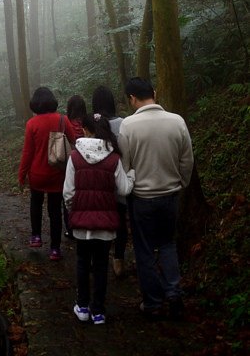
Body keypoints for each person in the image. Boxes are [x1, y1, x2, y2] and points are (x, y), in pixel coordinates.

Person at [118, 77, 194, 321]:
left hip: (142, 198)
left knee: (145, 250)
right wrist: (182, 182)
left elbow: (125, 164)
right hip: (170, 195)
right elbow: (187, 159)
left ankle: (152, 303)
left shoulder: (128, 126)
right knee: (168, 244)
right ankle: (174, 293)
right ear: (154, 92)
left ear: (132, 98)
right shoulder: (177, 121)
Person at [64, 113, 134, 325]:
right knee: (102, 265)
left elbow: (68, 194)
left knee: (83, 263)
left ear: (85, 130)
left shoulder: (75, 157)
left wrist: (75, 210)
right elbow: (123, 189)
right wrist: (131, 175)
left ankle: (82, 306)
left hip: (82, 224)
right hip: (106, 223)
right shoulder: (113, 159)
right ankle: (99, 311)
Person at [18, 86, 79, 261]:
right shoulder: (63, 119)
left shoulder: (32, 124)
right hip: (57, 172)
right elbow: (74, 141)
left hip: (37, 174)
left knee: (35, 204)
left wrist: (21, 175)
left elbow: (27, 152)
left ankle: (36, 236)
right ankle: (55, 249)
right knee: (55, 211)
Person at [92, 85, 128, 277]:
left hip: (100, 184)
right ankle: (119, 260)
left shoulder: (93, 124)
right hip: (120, 180)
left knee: (102, 222)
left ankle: (99, 260)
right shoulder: (124, 123)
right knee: (121, 222)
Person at [63, 95, 86, 238]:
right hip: (87, 163)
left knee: (69, 194)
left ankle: (70, 228)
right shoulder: (88, 121)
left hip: (69, 163)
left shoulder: (65, 123)